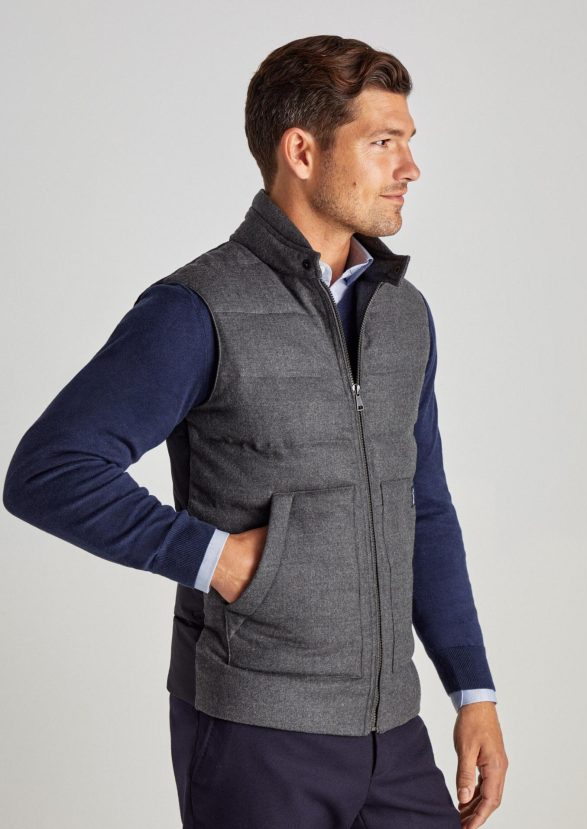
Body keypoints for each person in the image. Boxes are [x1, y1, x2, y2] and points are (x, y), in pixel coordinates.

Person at [3, 34, 508, 829]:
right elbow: (50, 470)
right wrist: (217, 558)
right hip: (254, 732)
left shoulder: (402, 314)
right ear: (302, 152)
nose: (410, 167)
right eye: (383, 143)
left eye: (409, 142)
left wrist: (472, 688)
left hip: (393, 734)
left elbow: (425, 506)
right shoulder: (197, 309)